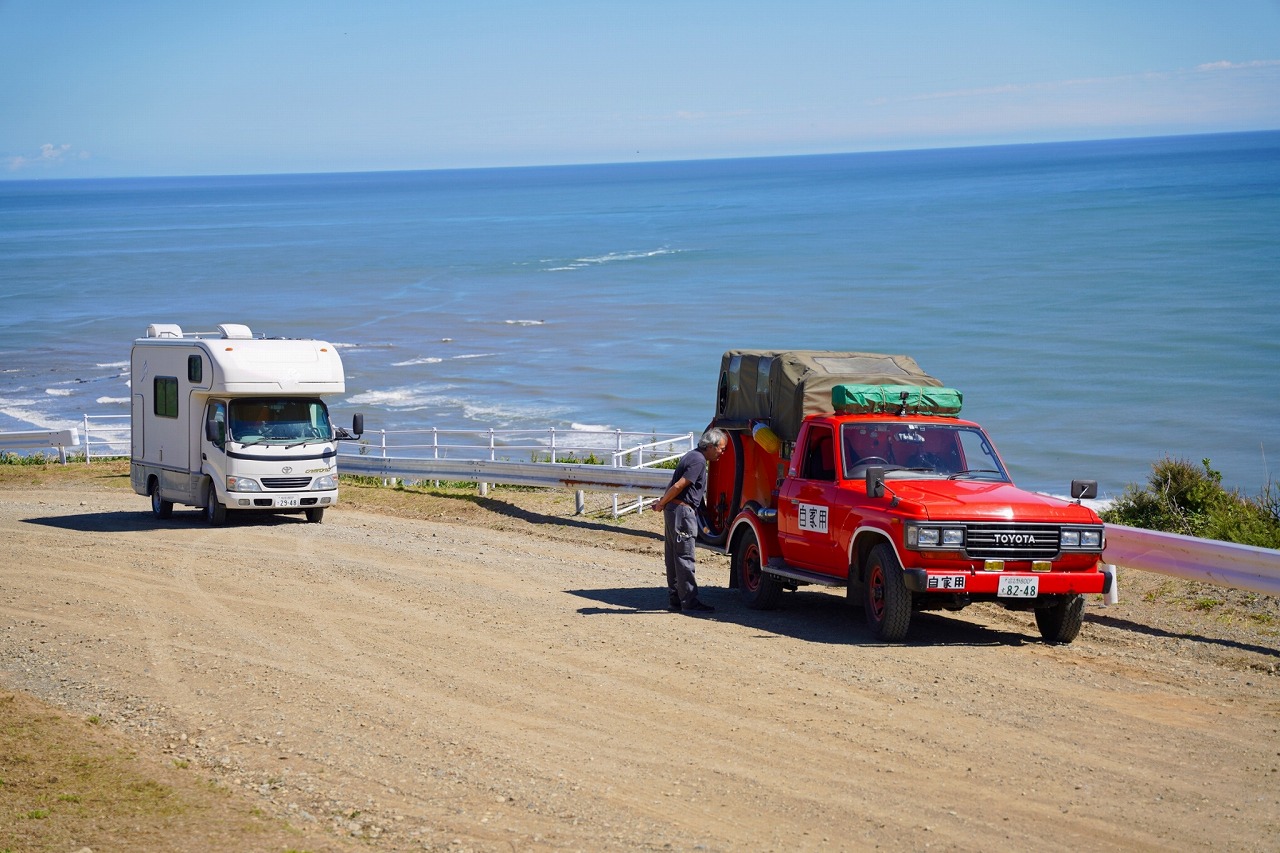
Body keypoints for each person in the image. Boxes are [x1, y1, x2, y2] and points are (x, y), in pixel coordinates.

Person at [652, 428, 729, 615]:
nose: (722, 452)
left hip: (674, 510)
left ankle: (676, 600)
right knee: (684, 555)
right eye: (721, 448)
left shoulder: (691, 456)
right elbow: (679, 485)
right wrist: (661, 503)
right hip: (681, 512)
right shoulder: (699, 461)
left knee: (673, 555)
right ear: (710, 446)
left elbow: (676, 484)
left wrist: (664, 503)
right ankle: (689, 601)